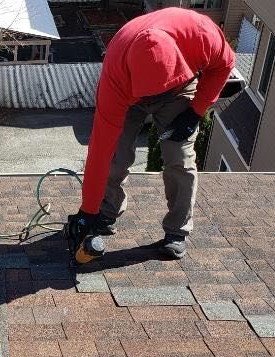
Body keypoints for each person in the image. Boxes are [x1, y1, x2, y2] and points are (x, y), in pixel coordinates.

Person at [67, 7, 234, 259]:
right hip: (129, 93)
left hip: (180, 88)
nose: (152, 106)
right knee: (116, 155)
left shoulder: (202, 34)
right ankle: (105, 213)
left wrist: (196, 111)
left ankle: (177, 232)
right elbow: (100, 151)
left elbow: (225, 65)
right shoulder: (116, 78)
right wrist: (87, 210)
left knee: (179, 157)